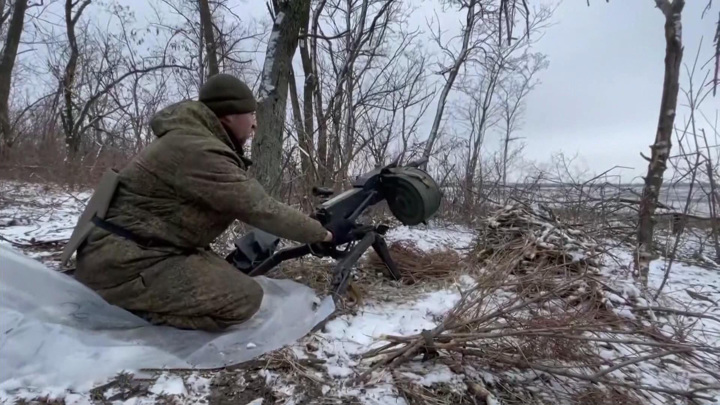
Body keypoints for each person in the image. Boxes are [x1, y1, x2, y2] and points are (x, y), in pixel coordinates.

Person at [72, 73, 352, 331]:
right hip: (125, 264)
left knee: (229, 276)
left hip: (131, 253)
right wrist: (324, 233)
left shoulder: (191, 140)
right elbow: (262, 209)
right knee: (245, 298)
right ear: (228, 116)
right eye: (251, 114)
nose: (255, 123)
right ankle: (128, 310)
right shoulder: (199, 150)